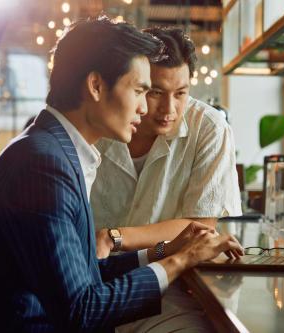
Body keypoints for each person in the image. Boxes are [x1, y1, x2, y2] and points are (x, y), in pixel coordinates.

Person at [0, 17, 243, 333]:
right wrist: (179, 262)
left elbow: (83, 274)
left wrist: (164, 251)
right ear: (96, 86)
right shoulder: (43, 166)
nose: (144, 108)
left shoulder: (50, 149)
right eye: (140, 90)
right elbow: (82, 311)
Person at [90, 27, 242, 332]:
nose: (169, 110)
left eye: (181, 93)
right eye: (155, 92)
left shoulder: (209, 129)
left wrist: (113, 236)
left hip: (168, 286)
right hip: (95, 280)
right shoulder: (100, 123)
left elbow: (200, 225)